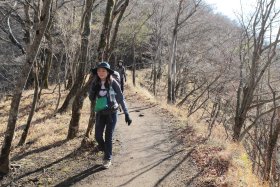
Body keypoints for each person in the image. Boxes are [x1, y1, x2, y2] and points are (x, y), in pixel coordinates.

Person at [89, 61, 132, 169]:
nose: (101, 72)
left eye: (103, 71)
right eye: (99, 71)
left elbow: (121, 98)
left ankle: (107, 158)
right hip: (100, 113)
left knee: (108, 136)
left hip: (112, 113)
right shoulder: (95, 82)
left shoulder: (113, 83)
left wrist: (126, 113)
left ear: (108, 72)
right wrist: (93, 91)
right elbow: (91, 98)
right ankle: (106, 150)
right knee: (98, 136)